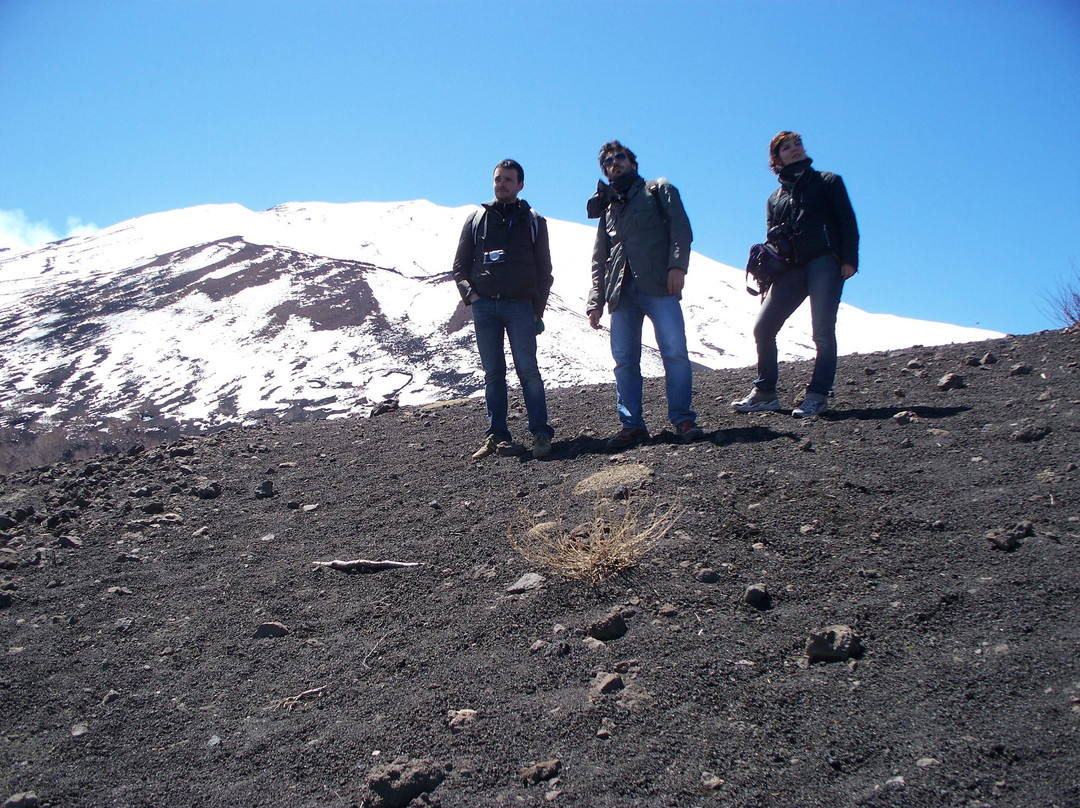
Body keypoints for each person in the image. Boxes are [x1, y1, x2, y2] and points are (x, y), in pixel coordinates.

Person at [732, 131, 860, 418]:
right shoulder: (775, 198)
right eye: (786, 148)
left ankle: (816, 396)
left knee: (822, 332)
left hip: (825, 262)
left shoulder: (828, 182)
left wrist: (849, 259)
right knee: (763, 328)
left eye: (797, 144)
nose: (795, 150)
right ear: (776, 159)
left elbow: (846, 220)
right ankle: (765, 392)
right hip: (790, 268)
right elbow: (772, 237)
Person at [586, 140, 704, 449]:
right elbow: (600, 257)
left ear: (633, 163)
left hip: (658, 284)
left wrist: (677, 266)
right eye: (608, 161)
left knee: (675, 352)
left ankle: (682, 419)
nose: (615, 162)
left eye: (620, 157)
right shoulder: (608, 209)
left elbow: (681, 228)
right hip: (620, 291)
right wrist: (595, 301)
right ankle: (632, 425)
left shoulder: (658, 189)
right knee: (624, 360)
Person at [453, 159, 555, 460]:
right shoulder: (476, 219)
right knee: (493, 374)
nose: (502, 184)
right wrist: (472, 297)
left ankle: (540, 434)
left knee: (528, 371)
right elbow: (459, 267)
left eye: (508, 180)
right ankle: (497, 436)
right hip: (485, 308)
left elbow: (544, 270)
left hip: (520, 306)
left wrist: (537, 310)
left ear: (520, 185)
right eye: (498, 179)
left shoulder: (533, 220)